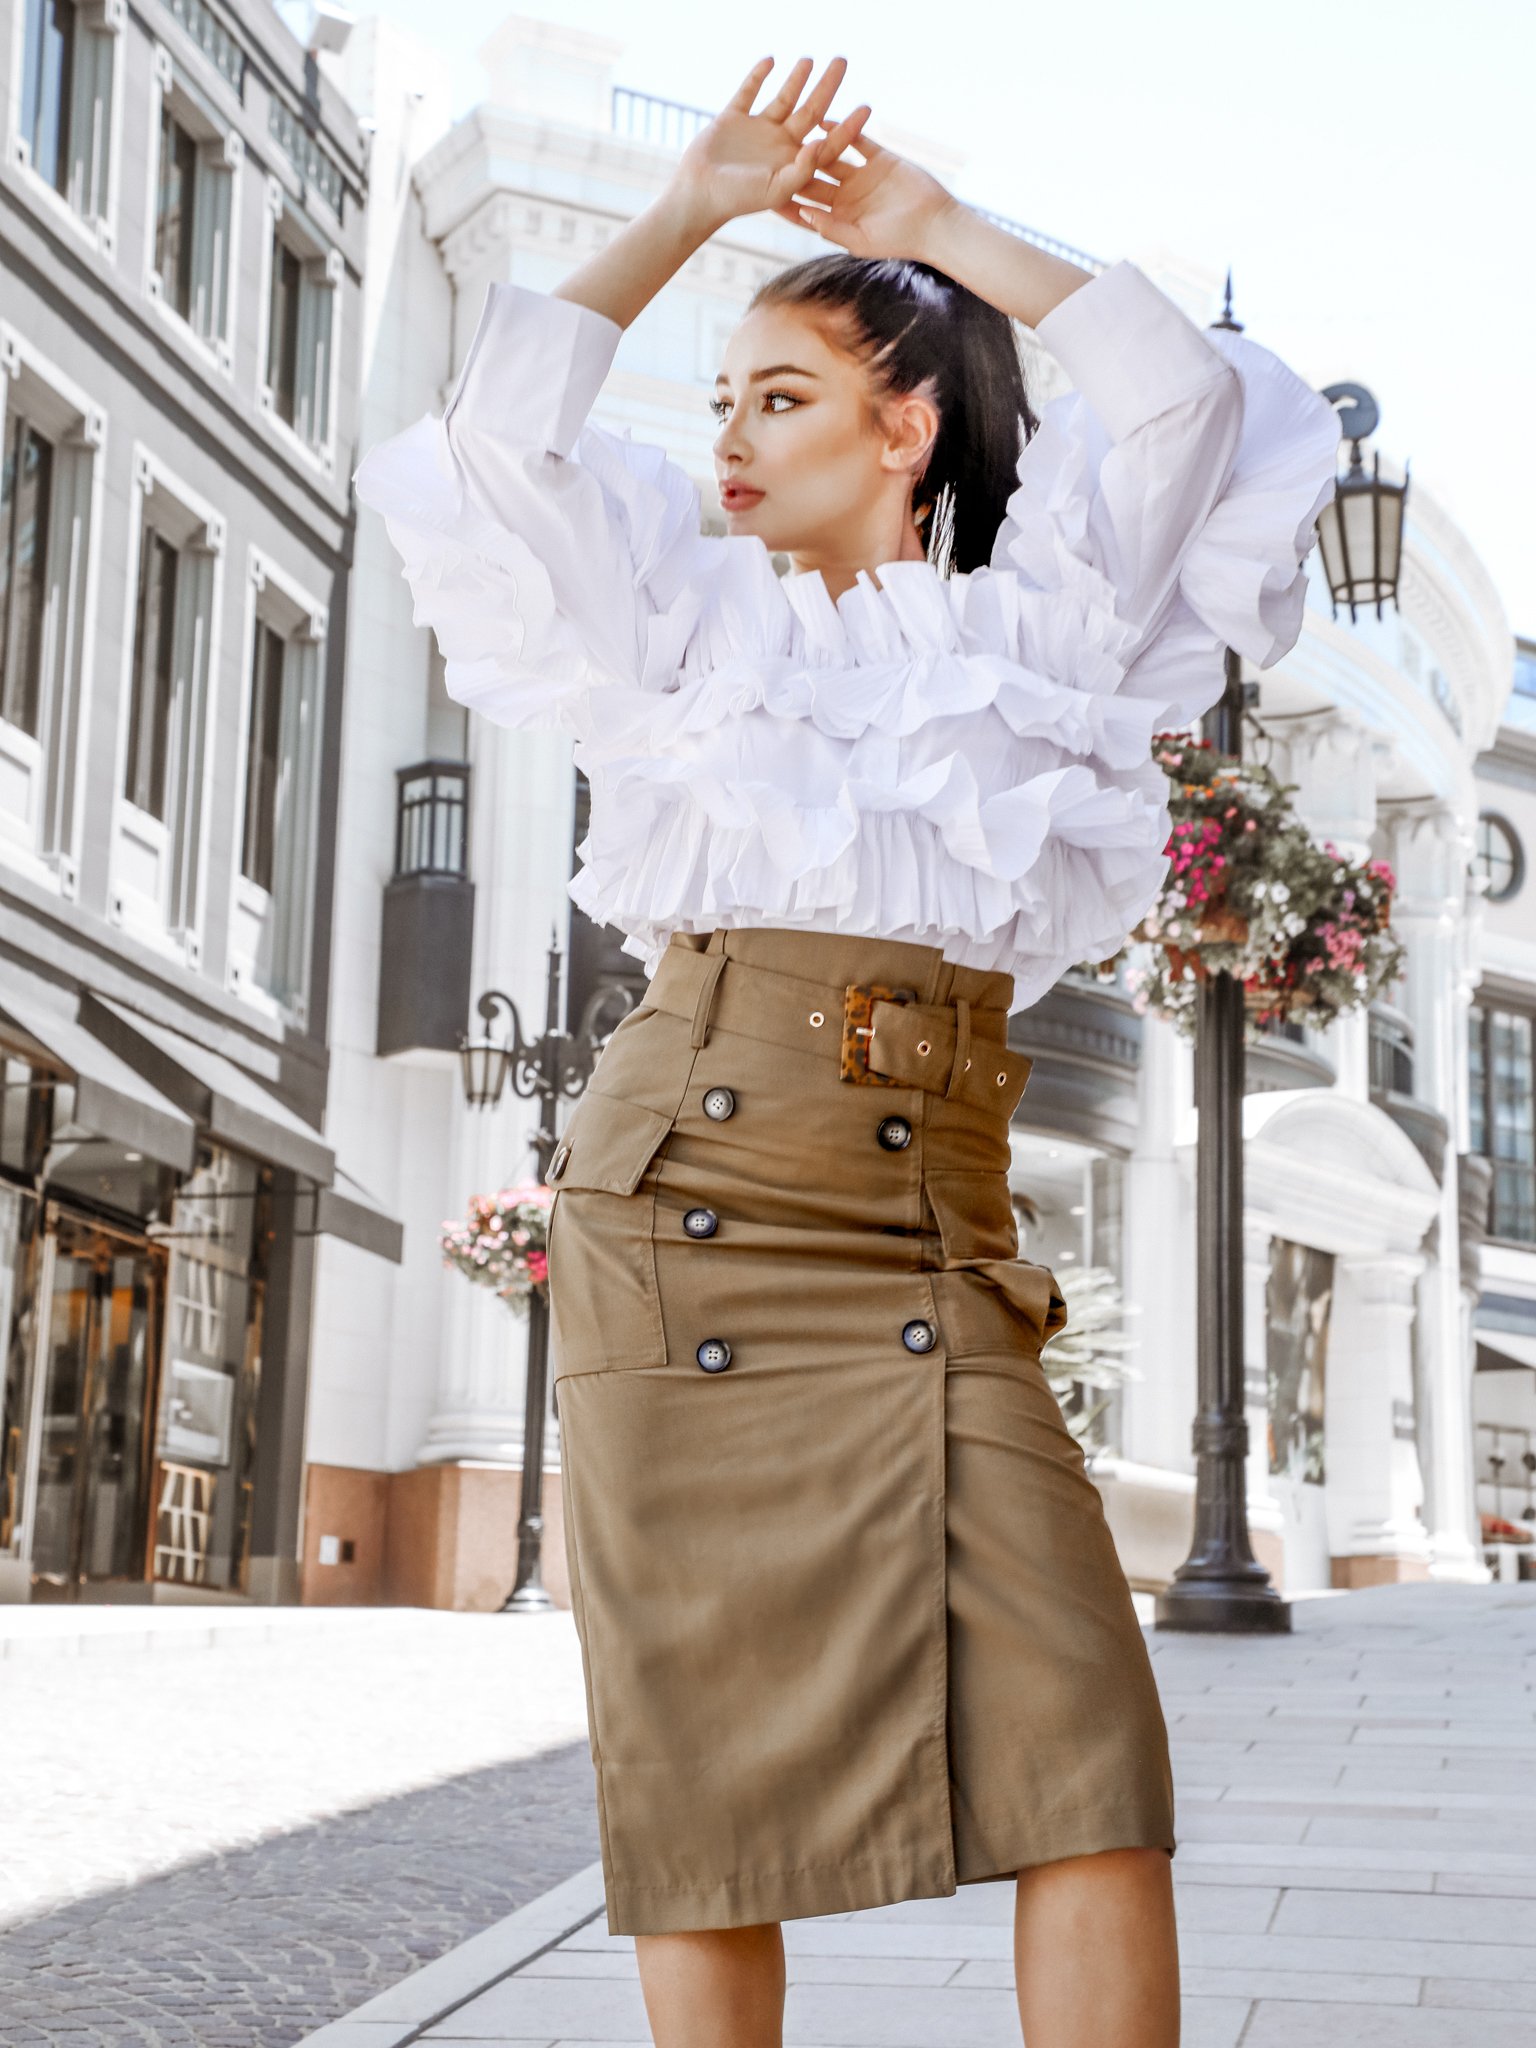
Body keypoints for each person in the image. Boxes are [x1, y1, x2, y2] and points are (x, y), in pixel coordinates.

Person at [355, 54, 1340, 2048]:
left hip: (927, 1239)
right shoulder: (676, 637)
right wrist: (692, 215)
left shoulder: (1039, 641)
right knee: (713, 1801)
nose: (729, 437)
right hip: (687, 1207)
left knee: (1092, 1772)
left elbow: (1181, 404)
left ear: (908, 428)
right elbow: (498, 439)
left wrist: (934, 237)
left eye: (781, 395)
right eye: (720, 400)